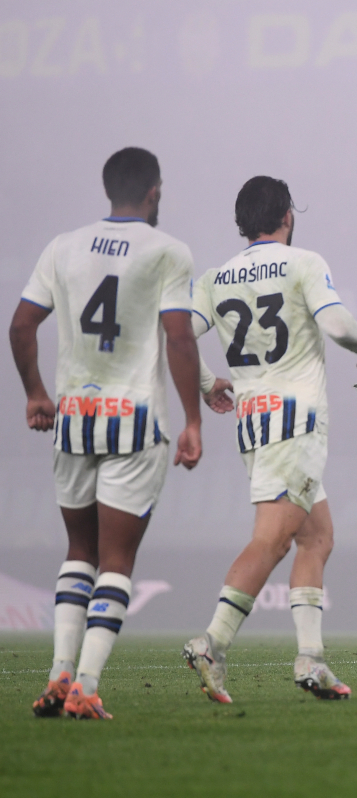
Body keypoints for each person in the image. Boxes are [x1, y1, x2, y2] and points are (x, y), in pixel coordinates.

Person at [12, 147, 204, 720]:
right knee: (116, 559)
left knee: (80, 552)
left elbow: (22, 325)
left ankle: (58, 676)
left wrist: (35, 394)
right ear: (154, 192)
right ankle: (86, 688)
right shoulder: (168, 250)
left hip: (73, 418)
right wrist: (193, 418)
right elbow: (179, 337)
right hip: (135, 421)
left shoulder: (63, 246)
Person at [182, 176, 357, 703]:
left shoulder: (215, 278)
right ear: (287, 216)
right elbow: (337, 325)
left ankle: (310, 659)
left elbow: (174, 335)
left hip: (253, 421)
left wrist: (206, 385)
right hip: (296, 422)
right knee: (271, 540)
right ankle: (213, 643)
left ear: (242, 222)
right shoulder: (303, 262)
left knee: (317, 538)